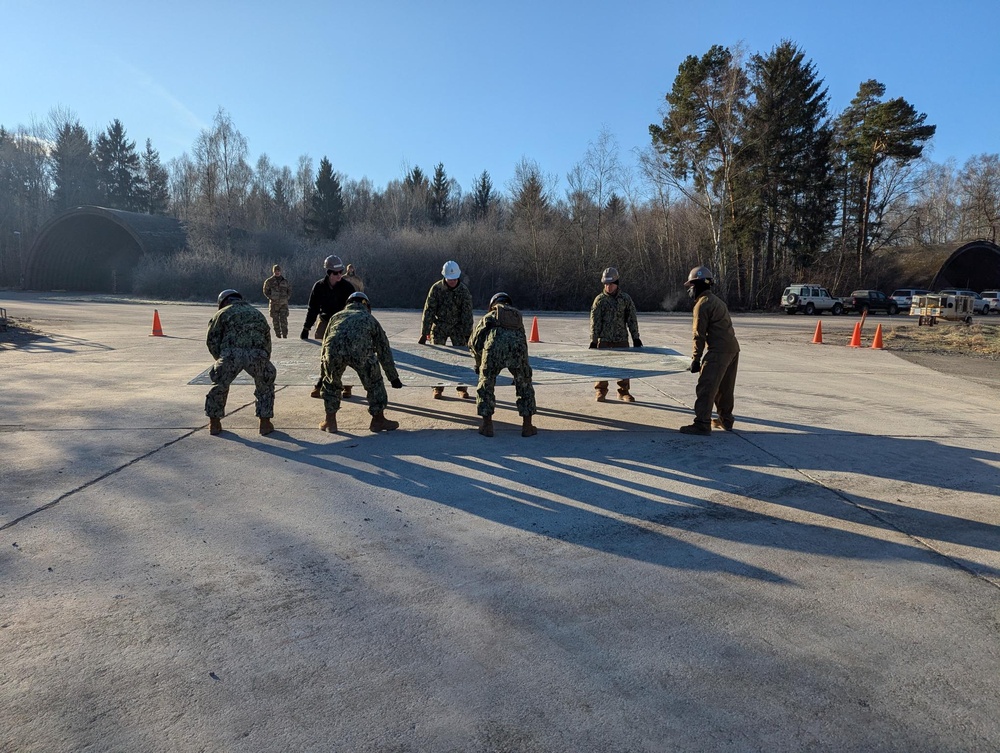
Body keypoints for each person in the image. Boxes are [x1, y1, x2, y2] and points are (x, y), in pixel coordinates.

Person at [319, 292, 403, 433]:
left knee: (331, 383)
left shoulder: (336, 316)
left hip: (333, 350)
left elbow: (325, 346)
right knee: (374, 382)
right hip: (359, 351)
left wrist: (323, 374)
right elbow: (384, 350)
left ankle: (330, 421)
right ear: (366, 305)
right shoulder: (369, 318)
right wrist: (393, 377)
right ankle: (378, 420)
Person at [205, 289, 276, 436]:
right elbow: (267, 339)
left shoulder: (222, 313)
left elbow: (212, 339)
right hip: (257, 354)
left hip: (230, 353)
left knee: (219, 384)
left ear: (224, 302)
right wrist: (264, 360)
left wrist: (220, 359)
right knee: (265, 383)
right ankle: (265, 423)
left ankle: (214, 423)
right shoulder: (257, 313)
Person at [681, 265, 740, 435]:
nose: (689, 290)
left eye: (691, 286)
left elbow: (698, 335)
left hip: (719, 351)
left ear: (698, 285)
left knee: (706, 387)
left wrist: (696, 359)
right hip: (733, 349)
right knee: (725, 389)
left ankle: (701, 423)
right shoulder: (717, 301)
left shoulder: (702, 304)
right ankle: (726, 420)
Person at [468, 292, 537, 438]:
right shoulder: (517, 317)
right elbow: (523, 341)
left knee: (486, 383)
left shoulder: (490, 316)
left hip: (494, 350)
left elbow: (474, 342)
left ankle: (487, 426)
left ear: (492, 304)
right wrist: (523, 368)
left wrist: (479, 363)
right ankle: (527, 426)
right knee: (524, 384)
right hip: (517, 352)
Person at [301, 254, 356, 398]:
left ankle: (344, 384)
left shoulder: (347, 287)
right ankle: (323, 382)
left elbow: (356, 309)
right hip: (325, 322)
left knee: (345, 355)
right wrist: (306, 327)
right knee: (327, 354)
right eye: (336, 273)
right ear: (329, 273)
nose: (339, 275)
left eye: (341, 272)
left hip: (343, 324)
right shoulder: (319, 287)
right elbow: (312, 308)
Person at [418, 260, 474, 399]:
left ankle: (462, 387)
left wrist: (468, 334)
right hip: (440, 326)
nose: (453, 281)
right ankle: (438, 387)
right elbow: (429, 311)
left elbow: (467, 314)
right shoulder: (436, 289)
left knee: (462, 357)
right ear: (445, 276)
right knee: (438, 356)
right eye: (450, 279)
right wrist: (424, 333)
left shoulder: (463, 291)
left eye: (455, 279)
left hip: (458, 327)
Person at [589, 266, 642, 402]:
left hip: (621, 339)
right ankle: (601, 390)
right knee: (602, 366)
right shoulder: (599, 300)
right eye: (606, 284)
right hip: (604, 340)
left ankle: (623, 391)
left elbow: (631, 319)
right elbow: (595, 321)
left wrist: (636, 337)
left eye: (610, 284)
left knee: (623, 367)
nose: (608, 287)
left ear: (616, 283)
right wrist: (594, 340)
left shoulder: (625, 299)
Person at [262, 264, 291, 338]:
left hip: (283, 304)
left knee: (283, 320)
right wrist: (271, 297)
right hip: (274, 304)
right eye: (275, 271)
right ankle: (278, 334)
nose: (277, 272)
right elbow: (265, 291)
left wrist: (286, 298)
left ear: (280, 271)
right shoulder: (269, 281)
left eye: (278, 271)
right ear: (273, 272)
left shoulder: (285, 281)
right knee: (275, 321)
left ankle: (285, 335)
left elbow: (289, 290)